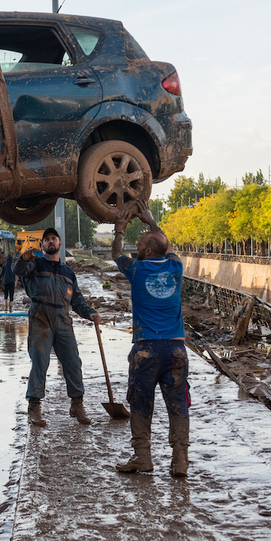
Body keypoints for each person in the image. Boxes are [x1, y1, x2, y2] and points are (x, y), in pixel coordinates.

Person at [111, 203, 189, 477]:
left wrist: (119, 228)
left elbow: (116, 253)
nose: (137, 242)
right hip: (176, 350)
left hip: (145, 349)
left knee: (141, 403)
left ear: (145, 252)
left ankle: (142, 457)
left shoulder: (136, 270)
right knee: (177, 404)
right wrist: (151, 221)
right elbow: (166, 246)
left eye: (140, 241)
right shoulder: (176, 268)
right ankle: (180, 461)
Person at [14, 227, 101, 426]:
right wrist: (25, 258)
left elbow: (76, 299)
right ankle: (34, 407)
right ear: (43, 245)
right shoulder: (34, 265)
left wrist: (90, 313)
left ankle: (77, 404)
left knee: (73, 362)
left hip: (63, 318)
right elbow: (18, 270)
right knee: (40, 361)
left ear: (60, 244)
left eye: (54, 239)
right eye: (47, 240)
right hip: (40, 317)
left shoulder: (68, 272)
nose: (51, 242)